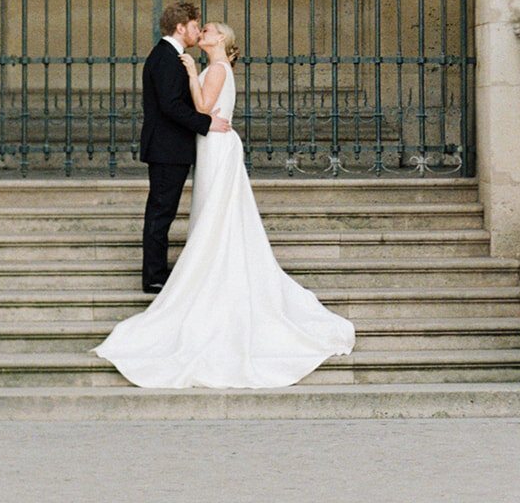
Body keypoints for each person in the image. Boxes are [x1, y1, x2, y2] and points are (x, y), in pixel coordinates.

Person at [95, 19, 356, 388]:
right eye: (200, 28)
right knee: (212, 213)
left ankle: (208, 269)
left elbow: (202, 105)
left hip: (216, 146)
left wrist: (188, 73)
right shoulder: (212, 67)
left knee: (215, 213)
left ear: (221, 40)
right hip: (212, 143)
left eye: (210, 30)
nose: (203, 33)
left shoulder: (215, 68)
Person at [136, 0, 231, 295]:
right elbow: (171, 106)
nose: (197, 32)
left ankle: (157, 272)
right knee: (161, 212)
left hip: (170, 147)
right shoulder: (165, 57)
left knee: (163, 211)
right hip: (166, 148)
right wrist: (205, 123)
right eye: (193, 26)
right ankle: (153, 276)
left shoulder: (170, 56)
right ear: (180, 27)